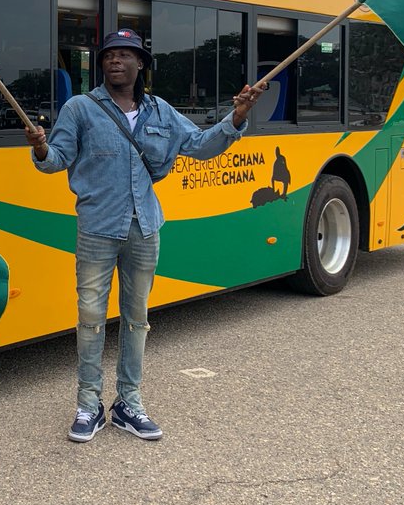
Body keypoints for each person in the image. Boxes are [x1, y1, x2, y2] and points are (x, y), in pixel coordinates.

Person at [24, 28, 264, 443]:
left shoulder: (160, 112)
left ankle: (128, 404)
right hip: (97, 229)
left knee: (137, 320)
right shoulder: (80, 108)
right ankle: (88, 405)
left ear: (140, 65)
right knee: (90, 319)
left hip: (145, 228)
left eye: (124, 55)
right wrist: (41, 148)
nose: (115, 61)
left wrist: (237, 116)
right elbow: (55, 162)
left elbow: (203, 145)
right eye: (109, 56)